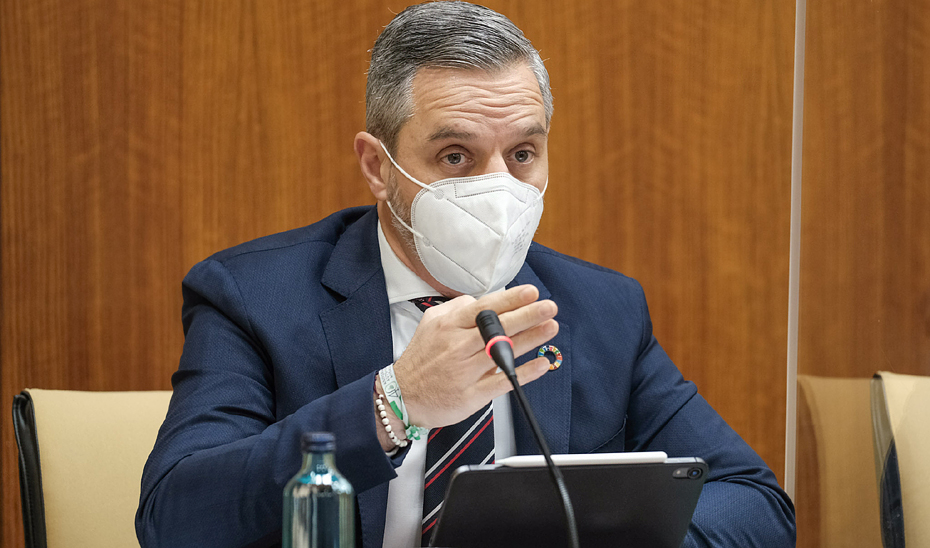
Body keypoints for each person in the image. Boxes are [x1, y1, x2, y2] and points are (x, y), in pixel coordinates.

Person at [136, 2, 795, 547]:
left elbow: (757, 506)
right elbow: (175, 517)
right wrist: (396, 403)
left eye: (523, 154)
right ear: (378, 166)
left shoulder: (600, 309)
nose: (498, 187)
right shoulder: (256, 297)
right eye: (455, 155)